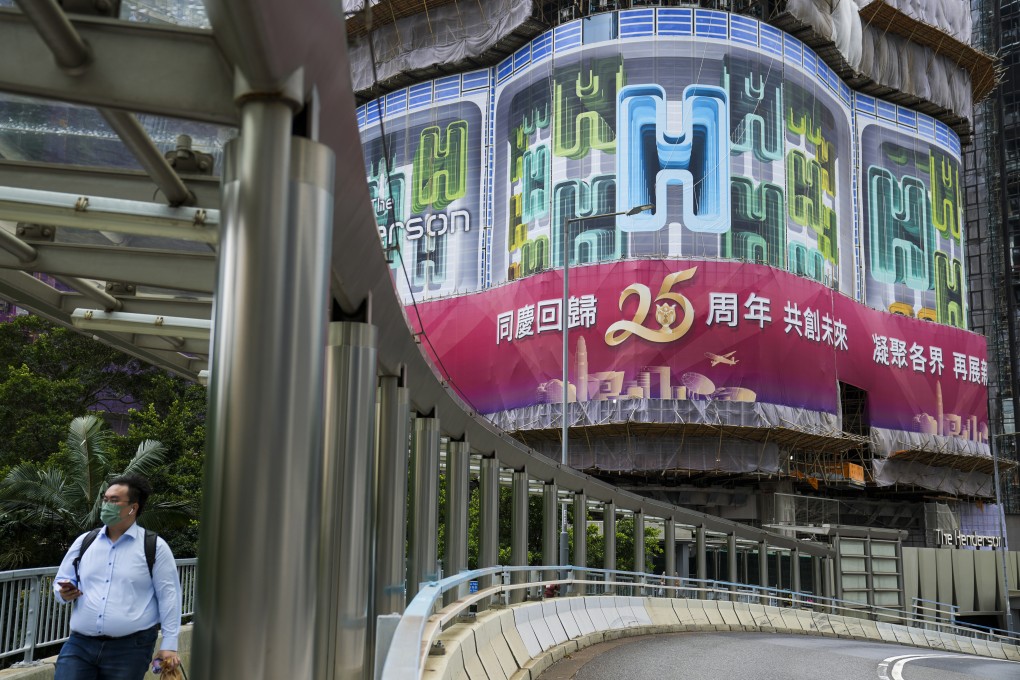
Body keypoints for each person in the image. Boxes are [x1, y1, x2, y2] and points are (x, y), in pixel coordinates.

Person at [52, 474, 182, 679]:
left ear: (133, 507)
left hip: (130, 649)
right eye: (105, 499)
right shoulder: (85, 541)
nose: (106, 505)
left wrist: (169, 644)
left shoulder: (154, 547)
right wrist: (63, 593)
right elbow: (61, 580)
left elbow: (169, 596)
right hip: (80, 644)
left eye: (114, 500)